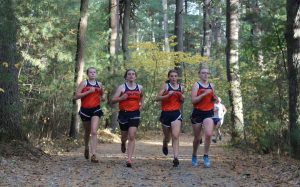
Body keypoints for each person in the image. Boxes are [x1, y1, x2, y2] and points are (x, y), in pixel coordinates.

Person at [111, 69, 144, 167]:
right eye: (129, 74)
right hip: (123, 114)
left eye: (133, 74)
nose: (131, 76)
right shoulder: (122, 87)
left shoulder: (140, 87)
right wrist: (121, 98)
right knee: (124, 136)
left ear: (135, 76)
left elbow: (142, 97)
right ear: (126, 77)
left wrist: (141, 104)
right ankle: (122, 143)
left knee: (132, 136)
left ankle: (129, 159)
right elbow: (112, 100)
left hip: (135, 113)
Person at [74, 67, 105, 163]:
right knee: (87, 131)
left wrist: (103, 97)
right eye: (91, 72)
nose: (92, 74)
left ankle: (94, 155)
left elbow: (102, 96)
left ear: (96, 74)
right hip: (85, 110)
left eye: (94, 72)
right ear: (88, 74)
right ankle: (86, 147)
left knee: (94, 131)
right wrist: (88, 92)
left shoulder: (99, 84)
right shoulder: (84, 83)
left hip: (96, 109)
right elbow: (76, 96)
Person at [155, 70, 184, 167]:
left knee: (175, 136)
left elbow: (182, 101)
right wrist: (167, 95)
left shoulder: (181, 87)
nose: (173, 78)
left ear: (177, 78)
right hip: (165, 113)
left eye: (175, 76)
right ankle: (165, 143)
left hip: (176, 113)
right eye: (171, 76)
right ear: (169, 77)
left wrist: (181, 97)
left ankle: (176, 158)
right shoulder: (165, 86)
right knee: (167, 136)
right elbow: (157, 98)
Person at [190, 66, 217, 168]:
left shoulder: (212, 85)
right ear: (199, 74)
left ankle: (206, 155)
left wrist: (215, 98)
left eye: (207, 73)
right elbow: (193, 101)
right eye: (203, 73)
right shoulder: (196, 85)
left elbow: (213, 99)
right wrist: (203, 94)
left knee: (209, 134)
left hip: (208, 112)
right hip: (197, 113)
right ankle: (194, 155)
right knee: (197, 138)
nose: (205, 75)